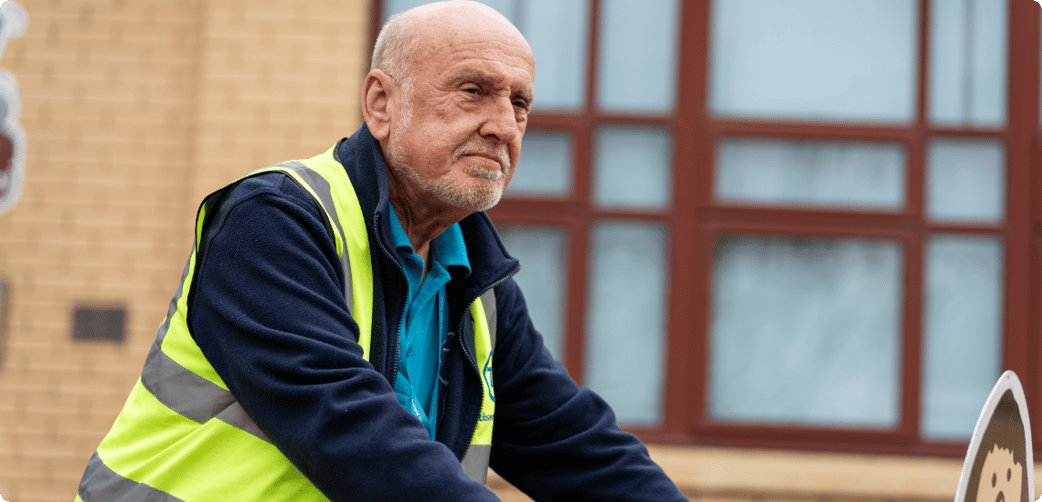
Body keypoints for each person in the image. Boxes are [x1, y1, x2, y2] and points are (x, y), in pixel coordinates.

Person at [75, 2, 686, 501]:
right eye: (473, 91)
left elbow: (574, 444)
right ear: (381, 104)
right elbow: (347, 423)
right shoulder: (275, 221)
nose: (503, 125)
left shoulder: (479, 285)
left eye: (519, 103)